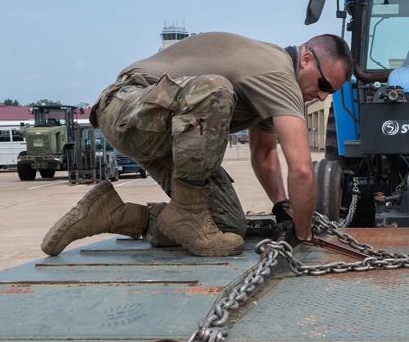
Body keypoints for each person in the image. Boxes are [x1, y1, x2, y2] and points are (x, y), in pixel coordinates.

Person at [42, 32, 352, 257]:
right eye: (324, 85)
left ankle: (110, 212)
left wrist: (282, 207)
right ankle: (187, 213)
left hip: (167, 131)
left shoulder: (272, 87)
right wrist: (303, 232)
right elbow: (300, 169)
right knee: (216, 91)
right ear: (307, 59)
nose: (323, 96)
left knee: (228, 227)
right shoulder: (277, 71)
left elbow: (265, 153)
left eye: (331, 93)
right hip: (126, 106)